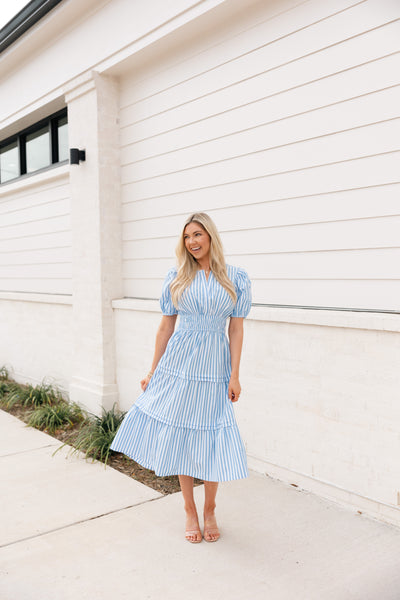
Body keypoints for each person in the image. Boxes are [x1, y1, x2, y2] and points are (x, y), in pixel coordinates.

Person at [110, 212, 252, 543]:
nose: (192, 242)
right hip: (178, 365)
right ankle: (189, 509)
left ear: (211, 237)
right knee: (182, 437)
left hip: (213, 367)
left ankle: (210, 508)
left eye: (198, 234)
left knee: (212, 436)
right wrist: (152, 370)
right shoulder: (177, 277)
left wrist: (235, 375)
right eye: (187, 237)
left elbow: (237, 328)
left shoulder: (236, 278)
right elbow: (165, 327)